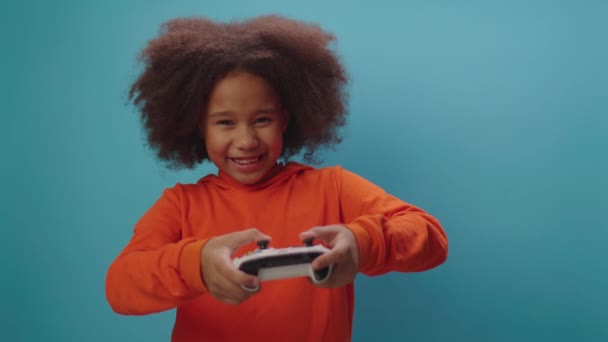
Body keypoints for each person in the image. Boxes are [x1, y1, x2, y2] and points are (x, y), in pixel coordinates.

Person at [105, 14, 448, 342]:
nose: (246, 140)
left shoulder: (333, 187)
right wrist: (196, 264)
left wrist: (362, 244)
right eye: (225, 122)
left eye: (262, 120)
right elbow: (120, 287)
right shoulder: (180, 205)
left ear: (285, 119)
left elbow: (430, 236)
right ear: (198, 126)